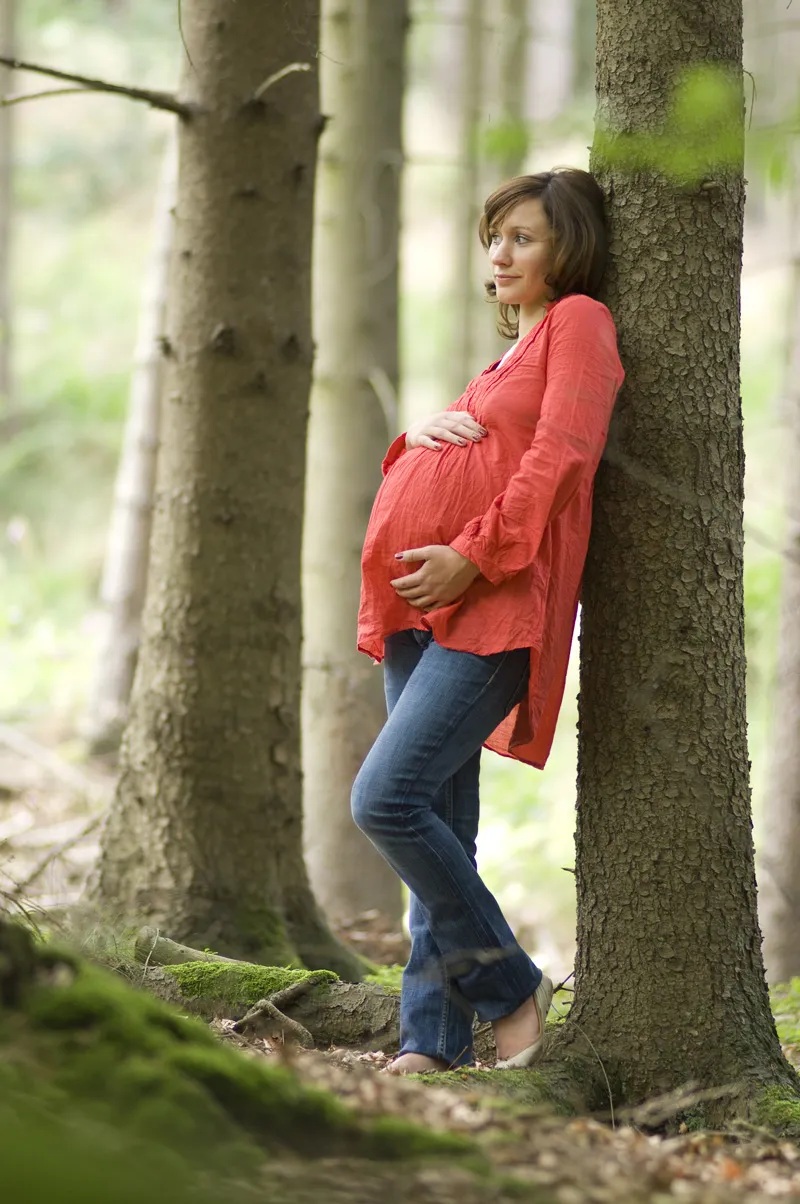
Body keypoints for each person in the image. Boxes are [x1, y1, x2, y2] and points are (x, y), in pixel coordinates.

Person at [351, 168, 625, 1075]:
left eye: (523, 238)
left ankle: (512, 989)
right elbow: (472, 451)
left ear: (568, 247)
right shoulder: (514, 348)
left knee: (385, 800)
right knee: (438, 825)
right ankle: (428, 1041)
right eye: (495, 237)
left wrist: (472, 554)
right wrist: (414, 439)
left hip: (497, 601)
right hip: (420, 605)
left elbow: (560, 456)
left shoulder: (580, 322)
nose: (499, 255)